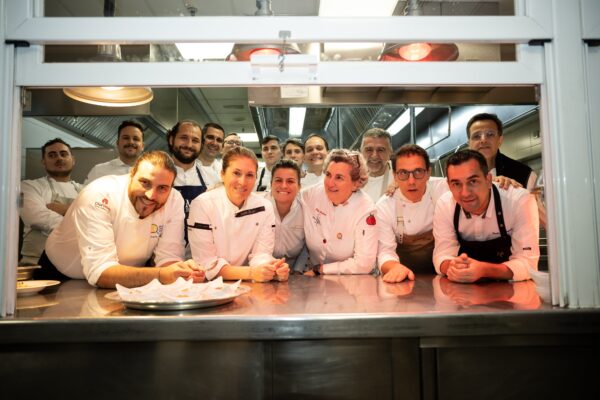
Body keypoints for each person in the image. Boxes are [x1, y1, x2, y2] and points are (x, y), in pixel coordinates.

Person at [42, 151, 204, 288]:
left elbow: (168, 256)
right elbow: (100, 272)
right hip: (60, 276)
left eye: (162, 188)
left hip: (130, 279)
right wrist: (161, 275)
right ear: (131, 176)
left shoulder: (174, 200)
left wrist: (180, 271)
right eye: (145, 183)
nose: (151, 195)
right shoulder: (99, 194)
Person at [433, 149, 540, 283]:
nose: (465, 193)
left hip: (509, 290)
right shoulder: (445, 205)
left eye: (473, 181)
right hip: (463, 294)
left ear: (488, 180)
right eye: (456, 184)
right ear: (449, 186)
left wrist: (484, 270)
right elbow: (442, 254)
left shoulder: (519, 201)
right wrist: (452, 267)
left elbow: (528, 263)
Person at [188, 146, 289, 282]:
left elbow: (261, 254)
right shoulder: (202, 204)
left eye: (249, 175)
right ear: (222, 174)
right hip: (205, 284)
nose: (242, 182)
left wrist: (272, 269)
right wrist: (250, 273)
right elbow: (206, 263)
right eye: (236, 173)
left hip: (246, 284)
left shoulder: (264, 207)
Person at [376, 144, 448, 283]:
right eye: (403, 173)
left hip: (442, 274)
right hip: (402, 276)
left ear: (428, 173)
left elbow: (474, 184)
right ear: (395, 176)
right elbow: (385, 251)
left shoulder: (444, 188)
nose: (411, 181)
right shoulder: (385, 206)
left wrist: (498, 181)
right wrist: (394, 267)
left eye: (418, 172)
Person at [301, 149, 378, 275]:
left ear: (356, 183)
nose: (330, 183)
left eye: (339, 178)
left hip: (352, 283)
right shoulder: (312, 194)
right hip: (312, 280)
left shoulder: (366, 209)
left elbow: (364, 264)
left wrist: (321, 270)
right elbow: (286, 200)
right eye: (328, 175)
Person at [20, 138, 82, 265]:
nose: (59, 158)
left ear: (73, 160)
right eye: (52, 155)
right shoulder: (28, 186)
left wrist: (65, 209)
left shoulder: (84, 190)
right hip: (36, 263)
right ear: (43, 161)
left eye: (64, 154)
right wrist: (80, 222)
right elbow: (36, 217)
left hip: (73, 263)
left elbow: (97, 217)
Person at [166, 120, 209, 254]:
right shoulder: (157, 175)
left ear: (201, 145)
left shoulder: (212, 178)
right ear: (172, 139)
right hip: (163, 253)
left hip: (202, 254)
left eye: (195, 140)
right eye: (184, 138)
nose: (189, 145)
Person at [467, 113, 537, 190]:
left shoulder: (525, 174)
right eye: (476, 136)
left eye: (490, 134)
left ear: (500, 140)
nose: (483, 140)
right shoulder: (457, 174)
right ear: (469, 144)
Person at [264, 159, 305, 270]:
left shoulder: (306, 210)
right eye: (278, 180)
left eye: (290, 181)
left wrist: (297, 271)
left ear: (299, 186)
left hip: (295, 273)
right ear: (271, 183)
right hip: (261, 269)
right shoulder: (258, 208)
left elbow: (308, 246)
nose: (284, 186)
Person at [84, 120, 144, 184]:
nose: (131, 142)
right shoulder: (98, 171)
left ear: (142, 146)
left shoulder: (152, 172)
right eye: (126, 138)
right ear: (117, 143)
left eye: (136, 139)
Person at [360, 128, 394, 202]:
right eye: (369, 149)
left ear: (390, 152)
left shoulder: (400, 176)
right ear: (361, 151)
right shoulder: (353, 177)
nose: (374, 156)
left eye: (381, 150)